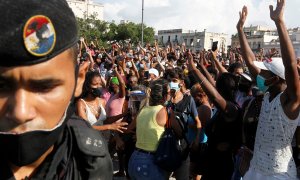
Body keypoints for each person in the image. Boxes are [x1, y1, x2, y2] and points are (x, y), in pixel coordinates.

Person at [0, 0, 113, 179]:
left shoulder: (89, 160)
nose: (20, 112)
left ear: (78, 81)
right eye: (2, 87)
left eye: (44, 87)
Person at [237, 1, 300, 179]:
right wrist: (240, 30)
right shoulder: (267, 94)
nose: (258, 74)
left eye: (263, 72)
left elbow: (290, 66)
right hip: (256, 169)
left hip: (277, 174)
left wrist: (279, 22)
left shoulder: (290, 101)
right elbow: (250, 61)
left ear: (274, 79)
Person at [128, 79, 170, 180]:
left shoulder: (143, 110)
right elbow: (179, 131)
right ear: (164, 96)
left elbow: (129, 129)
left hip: (135, 158)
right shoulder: (163, 111)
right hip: (150, 162)